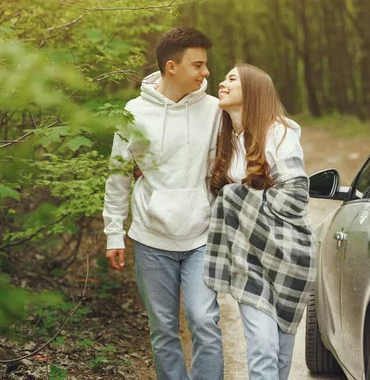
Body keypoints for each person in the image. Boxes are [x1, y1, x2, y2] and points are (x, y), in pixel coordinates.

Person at [102, 27, 223, 380]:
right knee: (164, 329)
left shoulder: (214, 109)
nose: (206, 73)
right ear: (172, 66)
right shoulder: (135, 112)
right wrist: (114, 233)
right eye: (198, 65)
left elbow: (222, 170)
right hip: (152, 237)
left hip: (201, 235)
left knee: (204, 320)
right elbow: (118, 175)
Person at [205, 63, 317, 380]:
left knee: (281, 351)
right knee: (264, 346)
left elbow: (295, 196)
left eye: (231, 79)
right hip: (246, 257)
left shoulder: (278, 135)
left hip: (288, 254)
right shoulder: (224, 139)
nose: (221, 83)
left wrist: (236, 196)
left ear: (252, 91)